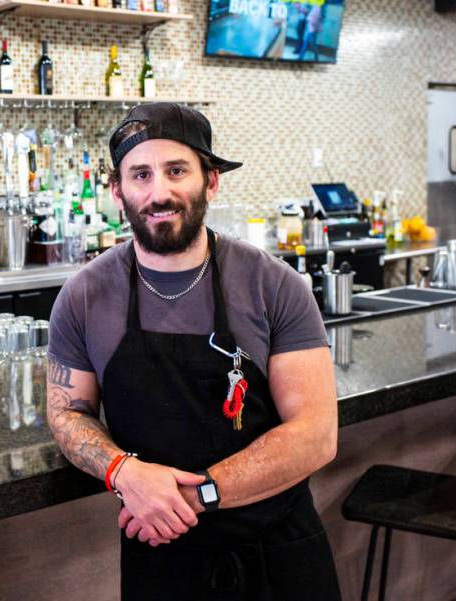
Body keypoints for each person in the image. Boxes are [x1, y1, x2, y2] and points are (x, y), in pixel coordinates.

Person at [46, 102, 341, 600]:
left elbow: (315, 435)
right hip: (161, 558)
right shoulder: (84, 296)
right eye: (140, 174)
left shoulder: (274, 285)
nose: (159, 192)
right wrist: (125, 471)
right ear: (117, 191)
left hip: (276, 552)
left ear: (211, 180)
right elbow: (67, 412)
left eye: (177, 170)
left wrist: (193, 494)